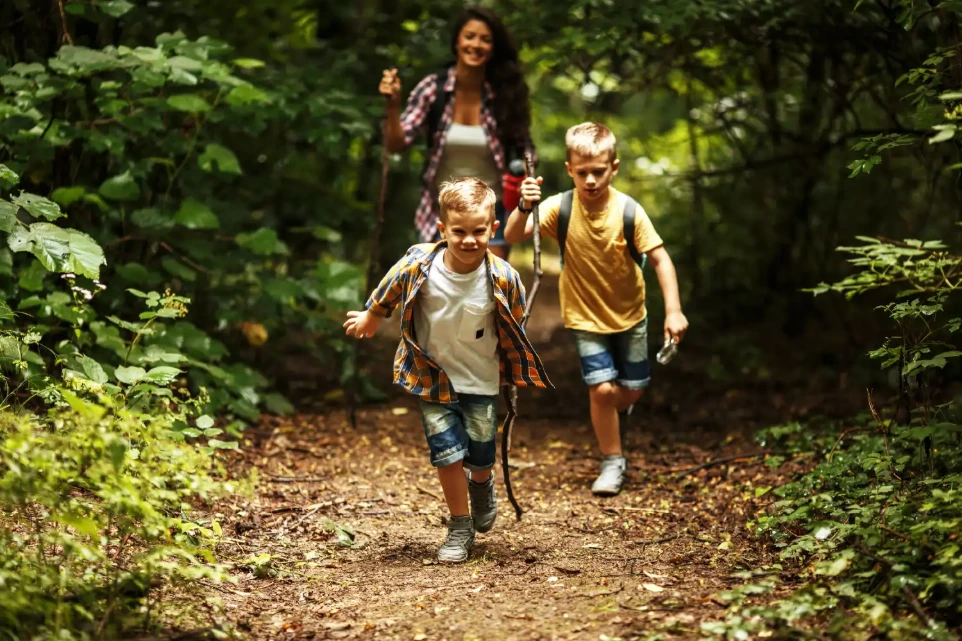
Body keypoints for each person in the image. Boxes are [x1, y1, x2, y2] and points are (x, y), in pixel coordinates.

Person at [343, 177, 550, 562]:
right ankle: (459, 525)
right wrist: (372, 314)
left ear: (493, 228)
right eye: (459, 231)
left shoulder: (503, 277)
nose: (469, 240)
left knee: (480, 454)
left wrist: (512, 366)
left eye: (478, 231)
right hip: (432, 377)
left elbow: (516, 324)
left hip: (481, 380)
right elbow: (391, 285)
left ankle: (483, 484)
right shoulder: (420, 262)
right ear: (443, 229)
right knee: (447, 454)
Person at [503, 123, 689, 496]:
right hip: (584, 317)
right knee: (602, 391)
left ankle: (615, 412)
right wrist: (524, 205)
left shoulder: (629, 211)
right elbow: (512, 235)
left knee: (632, 389)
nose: (590, 180)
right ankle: (612, 460)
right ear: (570, 170)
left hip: (630, 316)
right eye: (582, 172)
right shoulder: (561, 207)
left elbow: (660, 260)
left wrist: (673, 311)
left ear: (613, 167)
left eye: (598, 172)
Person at [378, 6, 535, 260]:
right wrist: (393, 105)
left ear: (493, 48)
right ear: (457, 42)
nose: (477, 45)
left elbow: (526, 149)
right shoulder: (433, 89)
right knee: (437, 295)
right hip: (442, 213)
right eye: (470, 36)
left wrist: (525, 175)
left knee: (486, 294)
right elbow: (396, 143)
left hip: (491, 214)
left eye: (486, 39)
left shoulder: (504, 95)